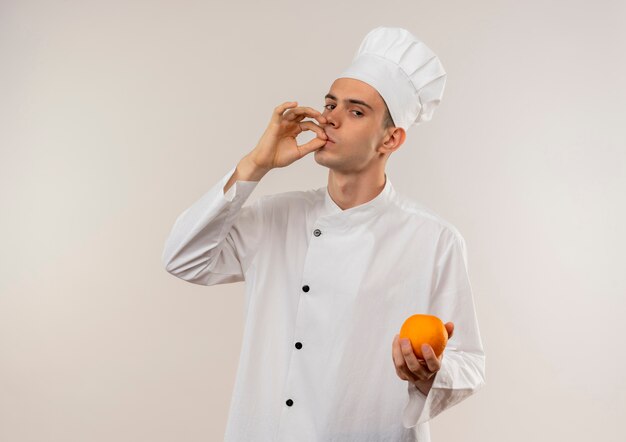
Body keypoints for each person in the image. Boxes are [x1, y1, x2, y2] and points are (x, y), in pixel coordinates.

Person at [162, 27, 485, 442]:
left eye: (355, 111)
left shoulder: (434, 239)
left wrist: (430, 374)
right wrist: (255, 165)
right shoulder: (276, 216)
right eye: (330, 103)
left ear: (391, 138)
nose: (329, 116)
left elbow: (470, 362)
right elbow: (182, 259)